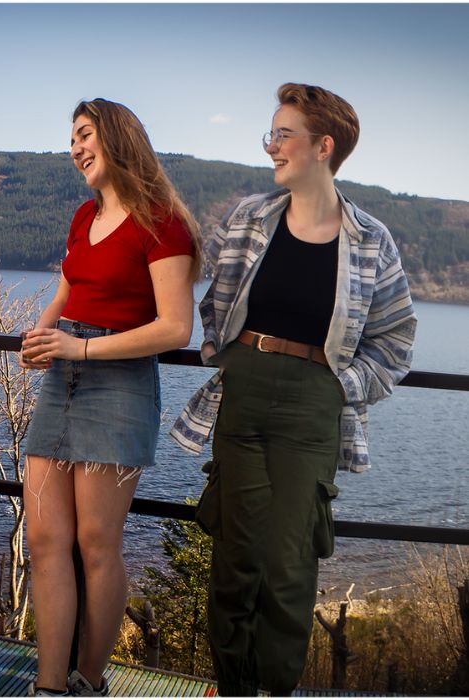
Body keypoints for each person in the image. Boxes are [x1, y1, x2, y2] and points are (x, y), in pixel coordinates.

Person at [171, 83, 416, 695]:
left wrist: (343, 387)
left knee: (288, 568)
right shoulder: (248, 218)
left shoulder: (370, 240)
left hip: (315, 402)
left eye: (283, 134)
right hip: (245, 390)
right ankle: (232, 688)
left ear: (322, 146)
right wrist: (222, 352)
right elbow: (212, 299)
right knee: (235, 561)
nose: (271, 146)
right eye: (271, 133)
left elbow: (396, 339)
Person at [20, 98, 200, 696]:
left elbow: (177, 328)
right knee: (45, 538)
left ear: (118, 138)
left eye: (84, 134)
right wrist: (41, 338)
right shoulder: (83, 217)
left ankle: (87, 679)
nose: (74, 148)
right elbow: (66, 294)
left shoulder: (161, 222)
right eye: (70, 138)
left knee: (97, 546)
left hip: (119, 384)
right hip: (62, 379)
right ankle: (49, 686)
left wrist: (83, 350)